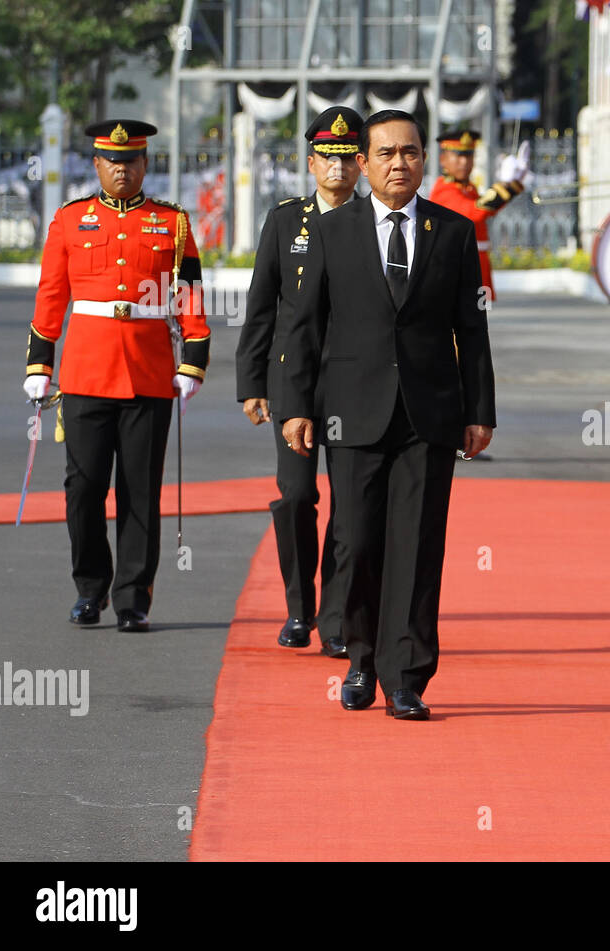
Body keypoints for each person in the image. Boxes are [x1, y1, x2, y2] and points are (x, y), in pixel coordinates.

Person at [280, 109, 495, 720]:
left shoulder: (451, 232)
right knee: (357, 538)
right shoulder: (331, 230)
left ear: (423, 159)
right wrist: (296, 405)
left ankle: (408, 678)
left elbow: (471, 328)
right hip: (350, 413)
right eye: (386, 154)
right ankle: (360, 658)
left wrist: (479, 410)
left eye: (410, 152)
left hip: (429, 413)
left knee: (420, 545)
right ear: (364, 163)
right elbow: (305, 325)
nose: (399, 163)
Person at [24, 119, 210, 632]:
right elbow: (51, 295)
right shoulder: (69, 220)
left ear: (145, 165)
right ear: (97, 165)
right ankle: (90, 587)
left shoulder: (171, 223)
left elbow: (189, 290)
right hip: (85, 373)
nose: (122, 169)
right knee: (82, 488)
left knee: (140, 491)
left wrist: (193, 356)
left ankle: (133, 597)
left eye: (131, 162)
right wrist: (40, 362)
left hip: (149, 373)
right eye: (112, 162)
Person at [234, 106, 364, 657]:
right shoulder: (286, 221)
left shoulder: (373, 224)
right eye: (326, 158)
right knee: (295, 497)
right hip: (294, 382)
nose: (336, 168)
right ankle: (298, 608)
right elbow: (262, 307)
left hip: (356, 383)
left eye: (345, 158)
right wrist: (252, 383)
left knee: (351, 509)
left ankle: (337, 618)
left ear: (359, 164)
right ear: (311, 163)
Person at [426, 127, 530, 300]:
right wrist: (504, 184)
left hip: (477, 263)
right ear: (443, 159)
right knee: (462, 323)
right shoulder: (443, 189)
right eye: (458, 155)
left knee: (480, 320)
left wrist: (514, 182)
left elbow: (487, 209)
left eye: (468, 155)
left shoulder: (468, 188)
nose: (464, 162)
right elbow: (475, 212)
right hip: (456, 266)